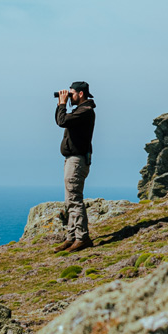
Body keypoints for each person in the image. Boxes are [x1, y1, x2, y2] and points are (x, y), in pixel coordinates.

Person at [55, 81, 97, 252]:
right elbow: (63, 120)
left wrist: (62, 104)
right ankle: (72, 237)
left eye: (71, 93)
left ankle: (82, 237)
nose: (69, 96)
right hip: (72, 159)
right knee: (69, 200)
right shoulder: (81, 111)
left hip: (77, 160)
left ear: (80, 94)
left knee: (74, 198)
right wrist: (63, 104)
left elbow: (62, 121)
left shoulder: (85, 111)